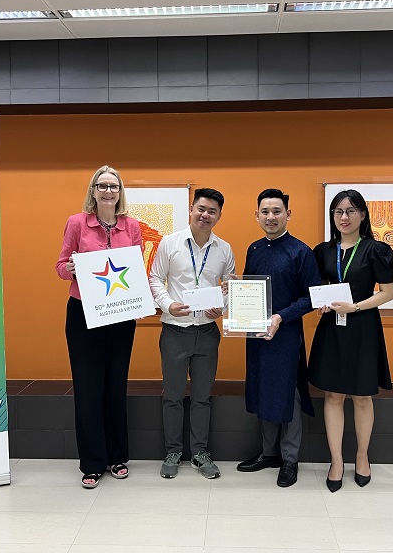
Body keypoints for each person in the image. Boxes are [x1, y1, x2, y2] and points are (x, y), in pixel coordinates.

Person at [55, 165, 142, 489]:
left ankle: (117, 456)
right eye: (102, 186)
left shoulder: (132, 226)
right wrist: (72, 268)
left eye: (113, 186)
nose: (108, 191)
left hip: (120, 314)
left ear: (120, 192)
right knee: (88, 387)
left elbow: (135, 268)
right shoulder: (77, 223)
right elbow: (60, 266)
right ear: (93, 190)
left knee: (115, 385)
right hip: (83, 313)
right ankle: (92, 462)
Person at [309, 189, 393, 492]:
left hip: (362, 326)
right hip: (332, 328)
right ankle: (336, 461)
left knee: (361, 396)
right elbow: (318, 287)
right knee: (333, 395)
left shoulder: (375, 250)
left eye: (350, 211)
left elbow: (387, 293)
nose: (344, 217)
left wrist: (355, 307)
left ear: (362, 215)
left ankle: (362, 457)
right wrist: (321, 303)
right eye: (338, 212)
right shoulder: (323, 251)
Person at [236, 189, 321, 487]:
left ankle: (290, 458)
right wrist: (235, 291)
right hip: (257, 333)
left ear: (288, 214)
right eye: (265, 212)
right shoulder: (254, 249)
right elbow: (249, 288)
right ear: (256, 215)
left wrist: (281, 317)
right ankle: (269, 453)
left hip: (286, 334)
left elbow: (311, 297)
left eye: (276, 211)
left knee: (288, 394)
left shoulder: (301, 251)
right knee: (262, 388)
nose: (270, 217)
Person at [149, 188, 235, 480]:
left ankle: (200, 452)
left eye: (212, 211)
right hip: (175, 330)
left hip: (207, 333)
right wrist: (167, 304)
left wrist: (221, 307)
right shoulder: (170, 243)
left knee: (202, 397)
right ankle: (173, 452)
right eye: (201, 208)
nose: (205, 215)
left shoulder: (224, 249)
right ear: (191, 209)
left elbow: (230, 287)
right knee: (172, 396)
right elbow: (155, 278)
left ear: (219, 216)